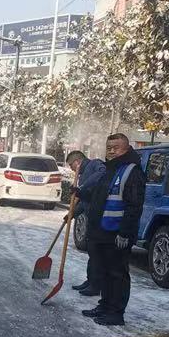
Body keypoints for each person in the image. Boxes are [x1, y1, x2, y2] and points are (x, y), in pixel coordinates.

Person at [83, 132, 144, 326]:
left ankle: (116, 313)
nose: (111, 151)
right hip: (102, 232)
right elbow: (100, 197)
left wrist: (125, 232)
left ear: (126, 148)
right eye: (108, 147)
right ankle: (104, 305)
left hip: (117, 234)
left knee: (117, 274)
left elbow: (134, 205)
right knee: (105, 272)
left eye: (115, 147)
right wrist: (82, 194)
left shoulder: (131, 171)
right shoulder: (109, 169)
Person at [67, 149, 108, 297]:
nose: (71, 169)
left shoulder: (95, 164)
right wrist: (72, 214)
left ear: (77, 162)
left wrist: (81, 188)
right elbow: (84, 201)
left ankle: (96, 285)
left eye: (71, 166)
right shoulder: (83, 175)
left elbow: (102, 173)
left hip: (101, 217)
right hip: (92, 217)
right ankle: (90, 281)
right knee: (92, 252)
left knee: (97, 253)